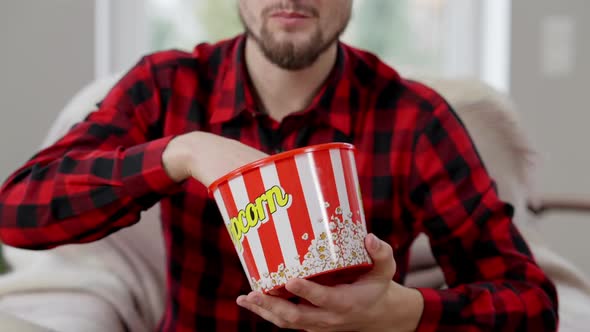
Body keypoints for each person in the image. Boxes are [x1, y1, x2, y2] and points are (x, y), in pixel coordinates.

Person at [0, 0, 558, 331]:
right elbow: (19, 211)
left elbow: (531, 303)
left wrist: (399, 312)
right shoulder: (166, 87)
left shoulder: (415, 118)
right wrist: (181, 152)